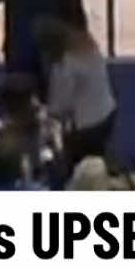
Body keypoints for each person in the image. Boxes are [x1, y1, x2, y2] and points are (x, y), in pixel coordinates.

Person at [38, 17, 116, 165]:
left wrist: (43, 111)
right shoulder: (90, 47)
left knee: (77, 165)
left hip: (87, 127)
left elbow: (59, 107)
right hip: (107, 112)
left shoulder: (65, 67)